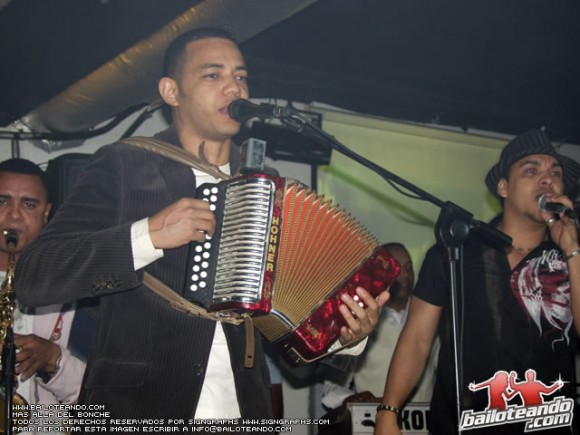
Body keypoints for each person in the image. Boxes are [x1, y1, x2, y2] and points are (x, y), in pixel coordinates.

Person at [14, 27, 388, 423]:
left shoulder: (264, 186)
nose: (234, 88)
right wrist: (148, 236)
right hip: (141, 411)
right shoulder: (125, 164)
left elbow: (284, 327)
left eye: (241, 76)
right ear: (172, 92)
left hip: (243, 412)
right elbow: (36, 276)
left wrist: (344, 337)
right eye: (213, 75)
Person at [375, 129, 580, 434]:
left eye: (555, 173)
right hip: (462, 425)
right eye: (531, 170)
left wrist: (572, 250)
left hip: (547, 425)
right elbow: (417, 337)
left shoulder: (572, 257)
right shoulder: (455, 250)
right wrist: (388, 411)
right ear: (503, 187)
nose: (547, 180)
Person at [0, 158, 85, 427]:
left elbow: (103, 402)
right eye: (2, 202)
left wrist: (53, 360)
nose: (14, 216)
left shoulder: (76, 290)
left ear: (46, 213)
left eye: (29, 205)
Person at [321, 242, 437, 409]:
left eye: (408, 267)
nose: (405, 274)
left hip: (427, 421)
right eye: (397, 268)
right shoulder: (359, 322)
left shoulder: (431, 317)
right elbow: (331, 389)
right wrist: (354, 400)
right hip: (376, 420)